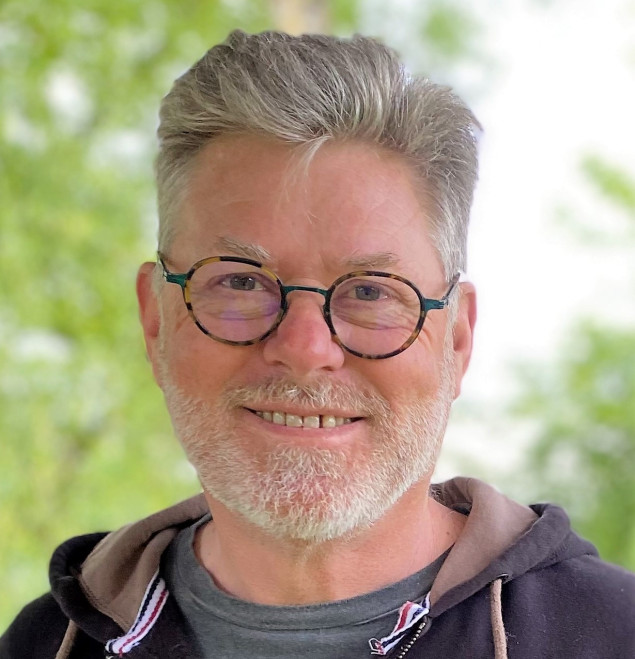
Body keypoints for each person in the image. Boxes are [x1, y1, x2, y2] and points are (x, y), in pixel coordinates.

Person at [2, 29, 634, 659]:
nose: (305, 349)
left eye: (370, 291)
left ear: (457, 339)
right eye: (240, 282)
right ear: (155, 322)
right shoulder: (41, 645)